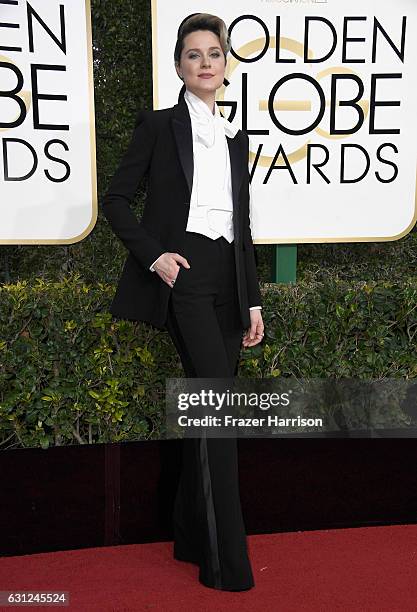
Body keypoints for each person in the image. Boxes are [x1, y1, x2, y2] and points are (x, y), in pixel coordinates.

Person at [102, 13, 264, 591]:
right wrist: (157, 257)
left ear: (225, 65)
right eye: (193, 54)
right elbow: (115, 200)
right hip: (185, 277)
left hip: (228, 284)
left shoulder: (234, 135)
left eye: (214, 53)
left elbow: (241, 226)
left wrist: (254, 300)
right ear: (178, 66)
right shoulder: (157, 125)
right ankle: (226, 564)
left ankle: (191, 538)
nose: (205, 62)